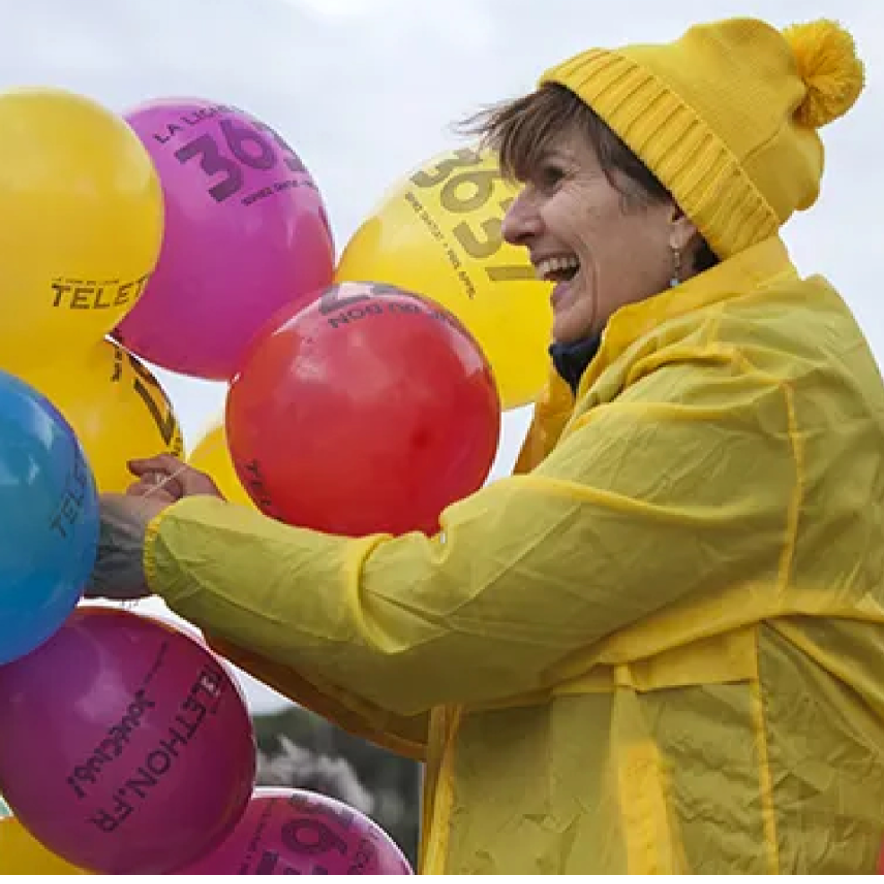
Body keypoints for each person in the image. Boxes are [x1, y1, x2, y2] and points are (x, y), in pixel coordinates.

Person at [88, 15, 884, 874]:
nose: (513, 224)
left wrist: (181, 549)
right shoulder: (645, 385)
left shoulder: (752, 384)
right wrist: (207, 570)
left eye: (552, 179)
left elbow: (439, 618)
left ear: (682, 209)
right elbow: (457, 692)